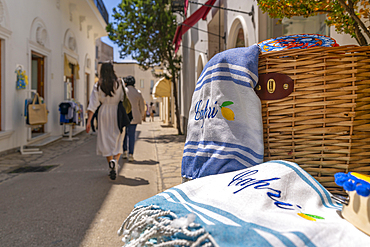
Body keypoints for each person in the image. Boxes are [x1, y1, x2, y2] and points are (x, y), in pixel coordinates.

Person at [86, 62, 127, 180]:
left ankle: (111, 164)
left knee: (105, 140)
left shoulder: (98, 85)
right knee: (118, 139)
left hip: (103, 113)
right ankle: (115, 161)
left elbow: (93, 104)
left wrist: (89, 121)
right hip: (117, 113)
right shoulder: (120, 82)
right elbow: (125, 98)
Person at [122, 76, 145, 162]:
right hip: (134, 116)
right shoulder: (137, 92)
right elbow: (141, 106)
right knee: (131, 135)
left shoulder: (123, 91)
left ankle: (124, 151)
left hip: (124, 116)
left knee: (124, 135)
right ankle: (131, 154)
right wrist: (142, 115)